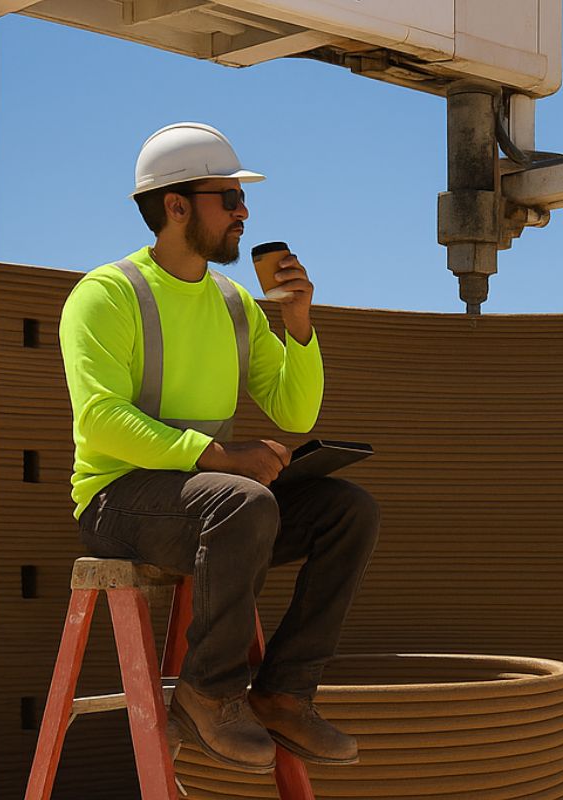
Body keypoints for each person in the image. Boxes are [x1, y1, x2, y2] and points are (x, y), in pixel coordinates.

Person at [58, 122, 380, 773]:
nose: (245, 213)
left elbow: (295, 411)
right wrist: (220, 457)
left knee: (348, 509)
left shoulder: (234, 304)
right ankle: (207, 693)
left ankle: (285, 694)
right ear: (177, 206)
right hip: (115, 503)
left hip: (211, 506)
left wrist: (298, 324)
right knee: (241, 501)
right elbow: (100, 420)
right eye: (229, 199)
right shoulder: (107, 294)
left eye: (242, 198)